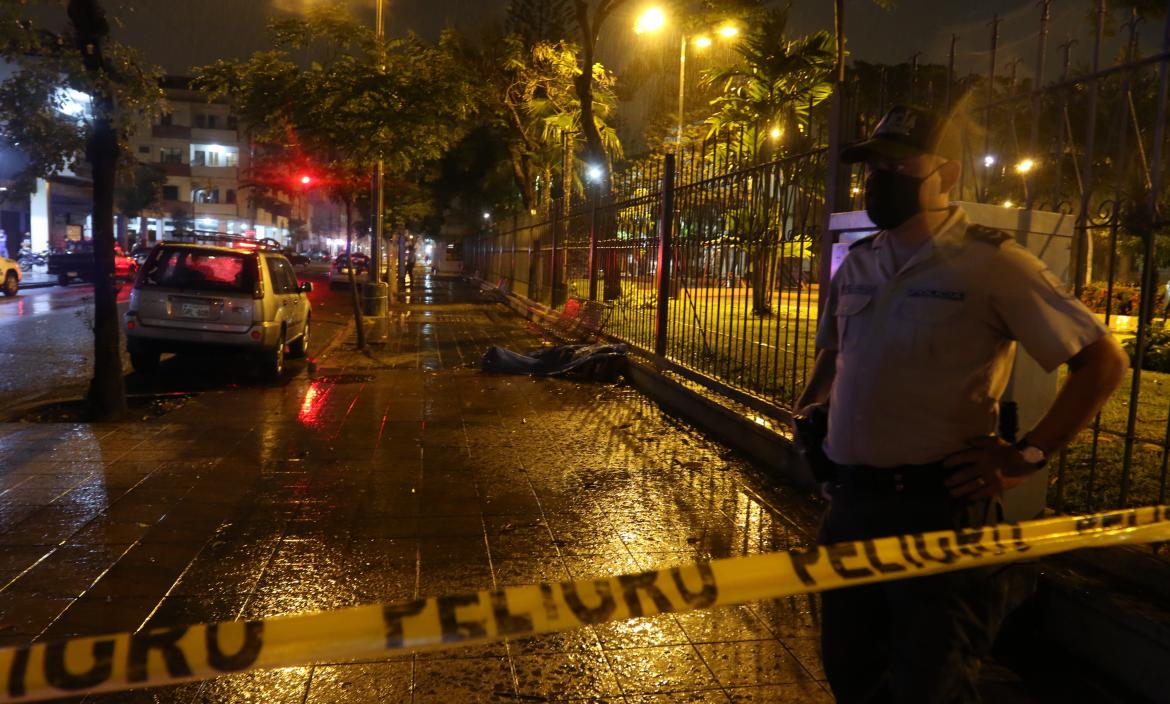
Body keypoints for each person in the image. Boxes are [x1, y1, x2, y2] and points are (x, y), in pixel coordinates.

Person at [794, 105, 1129, 703]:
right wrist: (809, 418)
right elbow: (832, 356)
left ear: (946, 175)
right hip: (849, 508)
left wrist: (1026, 455)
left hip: (936, 511)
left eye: (899, 164)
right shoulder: (862, 261)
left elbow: (1103, 361)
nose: (880, 178)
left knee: (933, 684)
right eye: (873, 165)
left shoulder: (994, 262)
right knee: (850, 672)